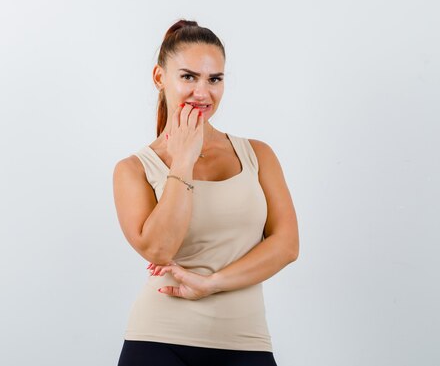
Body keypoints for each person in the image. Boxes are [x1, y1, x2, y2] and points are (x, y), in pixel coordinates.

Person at [112, 19, 299, 366]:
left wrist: (213, 283)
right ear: (159, 78)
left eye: (214, 79)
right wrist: (182, 162)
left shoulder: (257, 155)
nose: (203, 92)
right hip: (158, 340)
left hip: (247, 340)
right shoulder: (134, 169)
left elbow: (287, 246)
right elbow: (159, 248)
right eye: (188, 76)